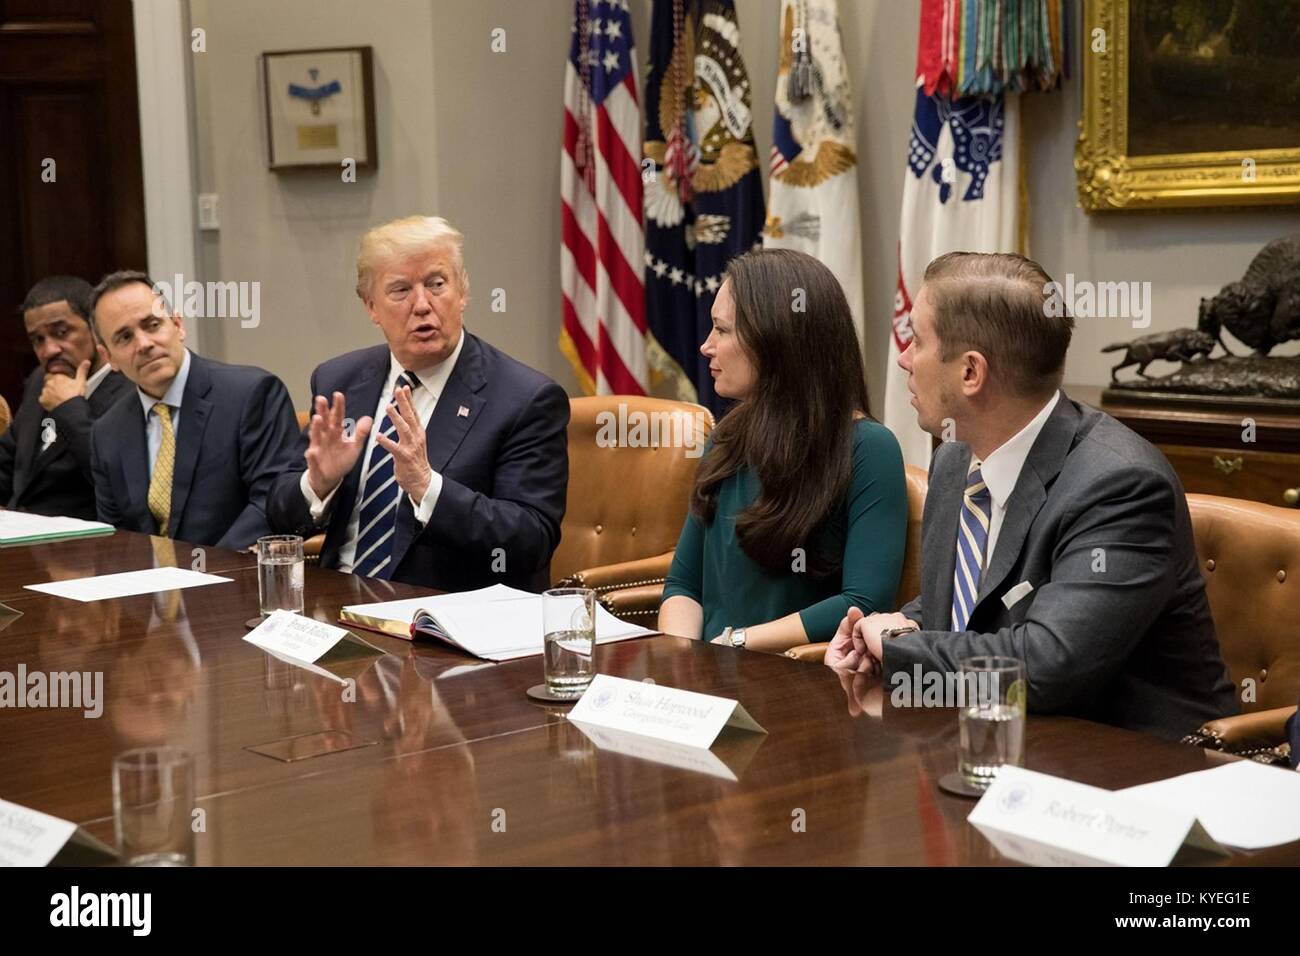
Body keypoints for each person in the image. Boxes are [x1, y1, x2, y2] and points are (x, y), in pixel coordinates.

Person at [825, 251, 1236, 740]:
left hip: (1136, 771)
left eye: (917, 339)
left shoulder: (1120, 485)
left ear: (971, 372)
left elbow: (1046, 667)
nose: (904, 358)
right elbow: (977, 603)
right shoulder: (956, 457)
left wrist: (897, 647)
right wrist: (877, 632)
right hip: (989, 746)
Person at [266, 215, 568, 591]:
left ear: (463, 292)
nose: (422, 305)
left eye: (436, 284)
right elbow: (279, 515)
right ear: (371, 306)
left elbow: (530, 542)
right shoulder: (338, 381)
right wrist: (319, 482)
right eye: (401, 290)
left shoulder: (525, 398)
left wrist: (428, 488)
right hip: (334, 605)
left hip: (443, 619)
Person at [658, 248, 907, 654]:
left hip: (799, 683)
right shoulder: (726, 436)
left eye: (721, 330)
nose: (706, 346)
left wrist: (734, 644)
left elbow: (863, 604)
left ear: (775, 340)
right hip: (708, 675)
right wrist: (681, 660)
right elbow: (684, 585)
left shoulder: (869, 449)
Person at [88, 271, 298, 549]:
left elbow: (271, 504)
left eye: (152, 325)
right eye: (124, 337)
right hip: (149, 586)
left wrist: (203, 570)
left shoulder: (252, 394)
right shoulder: (107, 432)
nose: (144, 344)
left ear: (178, 325)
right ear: (109, 358)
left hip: (233, 577)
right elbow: (117, 538)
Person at [0, 276, 131, 519]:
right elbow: (7, 463)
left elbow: (116, 484)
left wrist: (70, 409)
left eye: (61, 332)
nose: (49, 350)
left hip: (83, 548)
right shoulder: (41, 379)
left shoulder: (130, 389)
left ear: (96, 327)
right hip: (19, 535)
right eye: (37, 340)